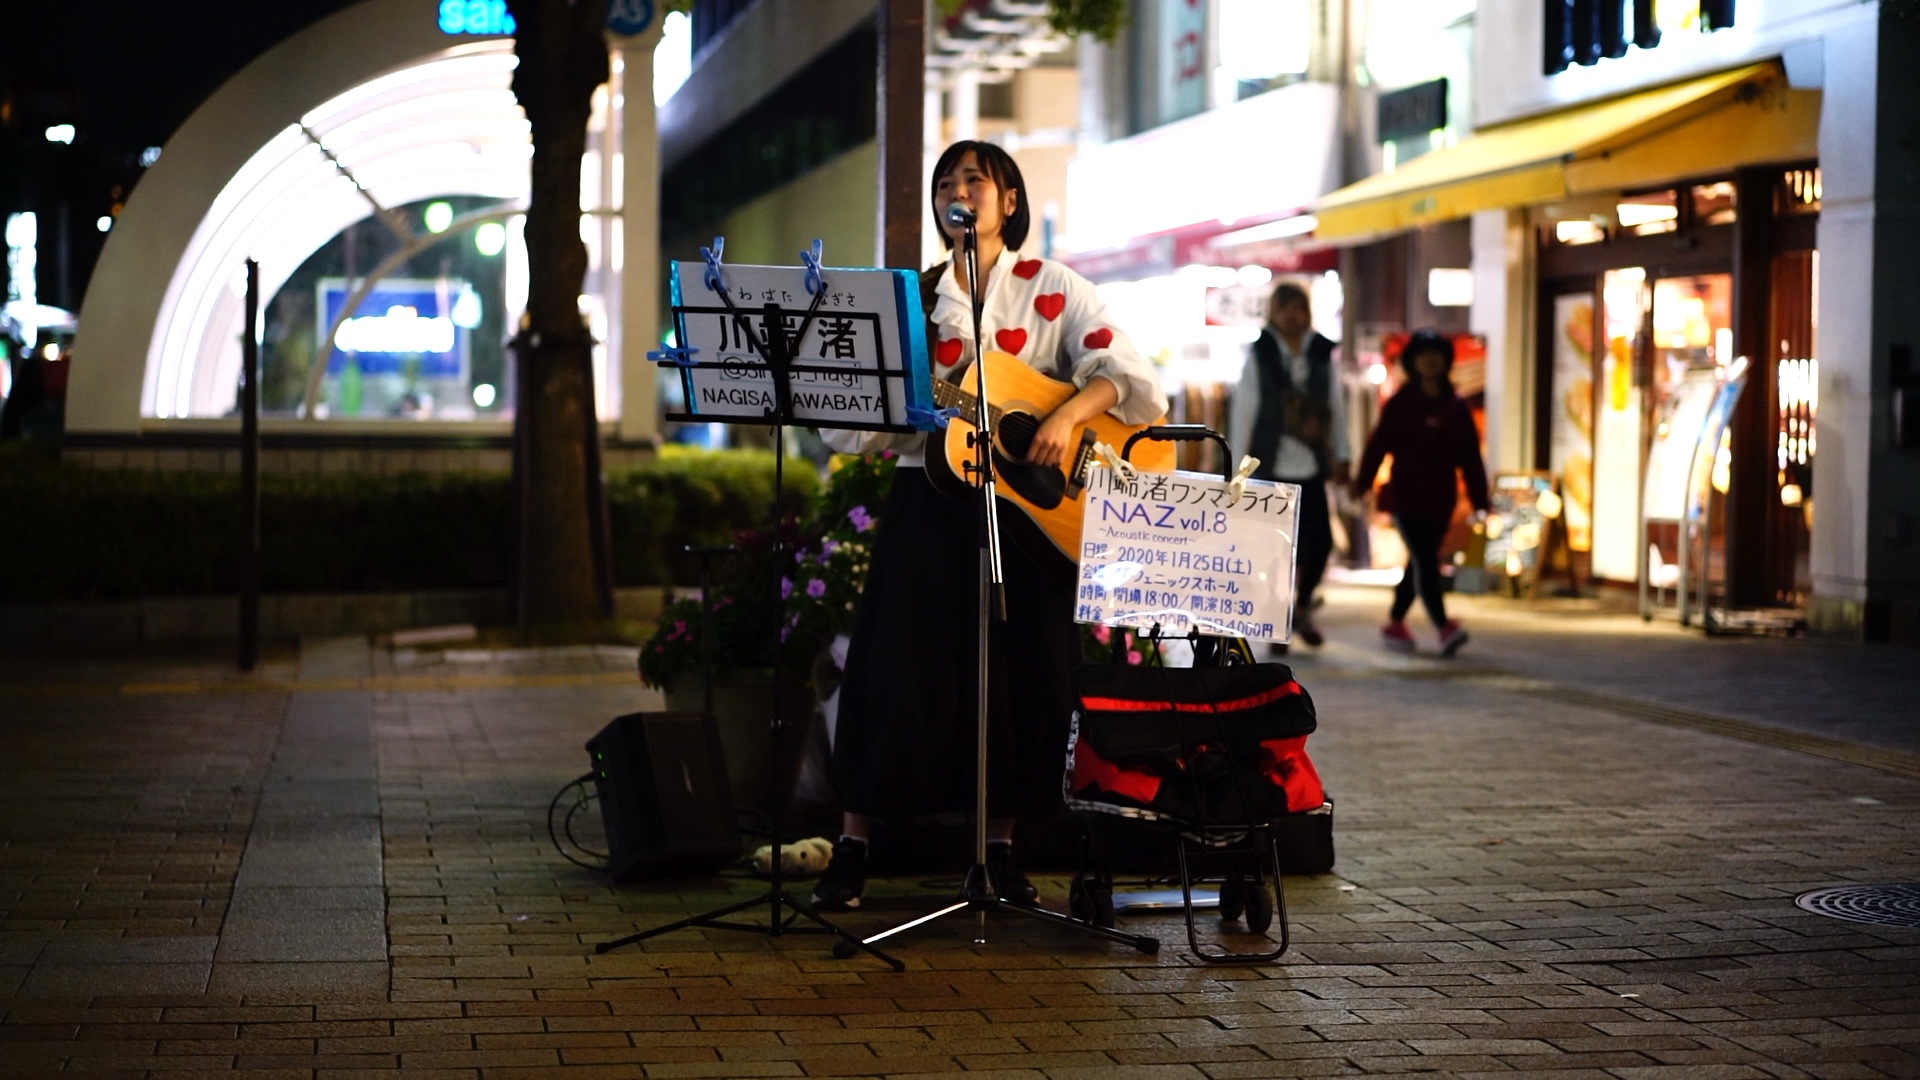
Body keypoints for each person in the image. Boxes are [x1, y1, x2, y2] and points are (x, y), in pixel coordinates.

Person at [810, 141, 1167, 910]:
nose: (957, 191)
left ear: (1009, 199)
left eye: (974, 179)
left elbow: (1128, 378)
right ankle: (854, 843)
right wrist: (864, 393)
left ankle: (1002, 850)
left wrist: (1067, 416)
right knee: (890, 670)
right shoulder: (913, 298)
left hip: (1033, 514)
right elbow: (858, 424)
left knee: (1024, 677)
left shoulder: (1055, 287)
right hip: (927, 501)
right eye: (945, 182)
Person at [1350, 329, 1490, 658]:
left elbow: (1470, 457)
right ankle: (1443, 627)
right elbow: (1377, 446)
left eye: (1436, 355)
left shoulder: (1456, 408)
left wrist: (1481, 500)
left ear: (1445, 361)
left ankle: (1395, 621)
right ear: (1413, 362)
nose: (1430, 361)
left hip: (1441, 498)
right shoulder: (1401, 403)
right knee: (1426, 560)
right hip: (1405, 496)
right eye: (1423, 355)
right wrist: (1362, 483)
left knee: (1419, 561)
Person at [1228, 281, 1347, 648]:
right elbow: (1243, 412)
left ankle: (1302, 605)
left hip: (1310, 464)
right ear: (1273, 313)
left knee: (1321, 543)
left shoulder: (1322, 354)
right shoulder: (1260, 355)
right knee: (1276, 550)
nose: (1293, 316)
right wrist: (1238, 469)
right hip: (1270, 464)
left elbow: (1336, 409)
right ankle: (1282, 622)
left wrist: (1343, 455)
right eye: (1285, 308)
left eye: (1299, 308)